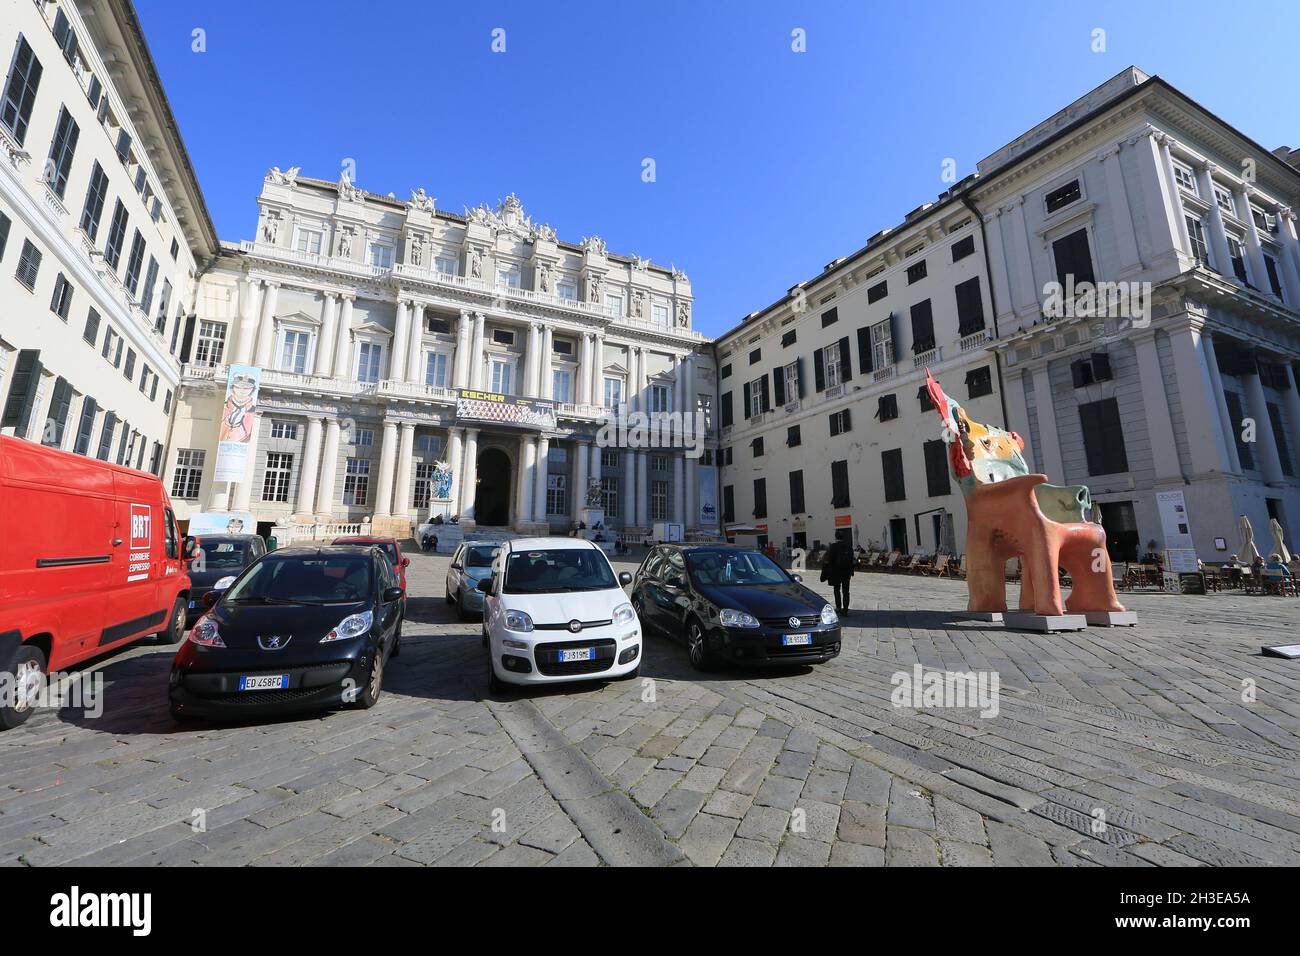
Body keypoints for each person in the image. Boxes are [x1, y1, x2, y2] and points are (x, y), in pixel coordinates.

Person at [820, 535, 856, 614]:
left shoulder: (833, 546)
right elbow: (852, 559)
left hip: (836, 572)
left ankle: (839, 607)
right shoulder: (849, 546)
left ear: (836, 537)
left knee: (837, 590)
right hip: (847, 573)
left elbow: (828, 559)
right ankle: (845, 609)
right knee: (846, 591)